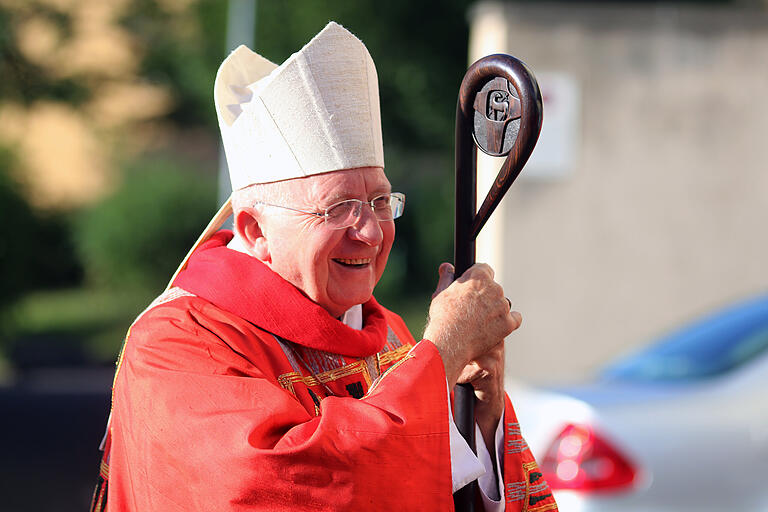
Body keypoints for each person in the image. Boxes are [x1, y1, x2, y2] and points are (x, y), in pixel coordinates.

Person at [90, 22, 557, 512]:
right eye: (338, 209)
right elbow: (288, 488)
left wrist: (479, 420)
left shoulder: (391, 336)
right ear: (254, 231)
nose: (372, 232)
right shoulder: (179, 345)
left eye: (380, 200)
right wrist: (440, 358)